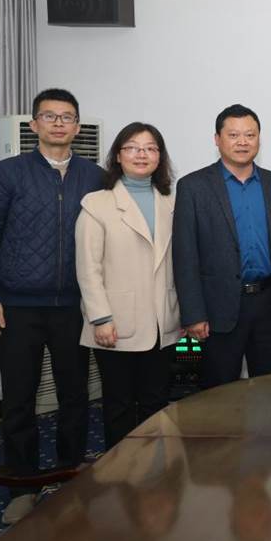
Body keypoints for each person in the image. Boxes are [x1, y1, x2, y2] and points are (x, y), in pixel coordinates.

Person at [0, 88, 103, 524]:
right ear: (34, 125)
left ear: (78, 127)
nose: (59, 124)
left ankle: (70, 474)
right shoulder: (5, 174)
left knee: (75, 395)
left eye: (67, 117)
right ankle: (23, 484)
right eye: (50, 116)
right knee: (19, 398)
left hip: (74, 307)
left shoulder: (95, 177)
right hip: (16, 307)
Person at [172, 104, 271, 389]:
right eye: (233, 135)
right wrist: (194, 314)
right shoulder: (193, 187)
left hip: (269, 304)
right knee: (219, 392)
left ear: (259, 138)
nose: (242, 142)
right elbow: (185, 256)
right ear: (217, 139)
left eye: (250, 135)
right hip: (218, 308)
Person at [75, 122, 181, 449]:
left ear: (159, 157)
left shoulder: (171, 201)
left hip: (162, 321)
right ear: (118, 156)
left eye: (150, 148)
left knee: (156, 402)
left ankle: (157, 468)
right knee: (119, 404)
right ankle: (122, 472)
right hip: (116, 323)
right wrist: (101, 318)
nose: (141, 154)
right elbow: (88, 268)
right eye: (132, 147)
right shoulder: (97, 204)